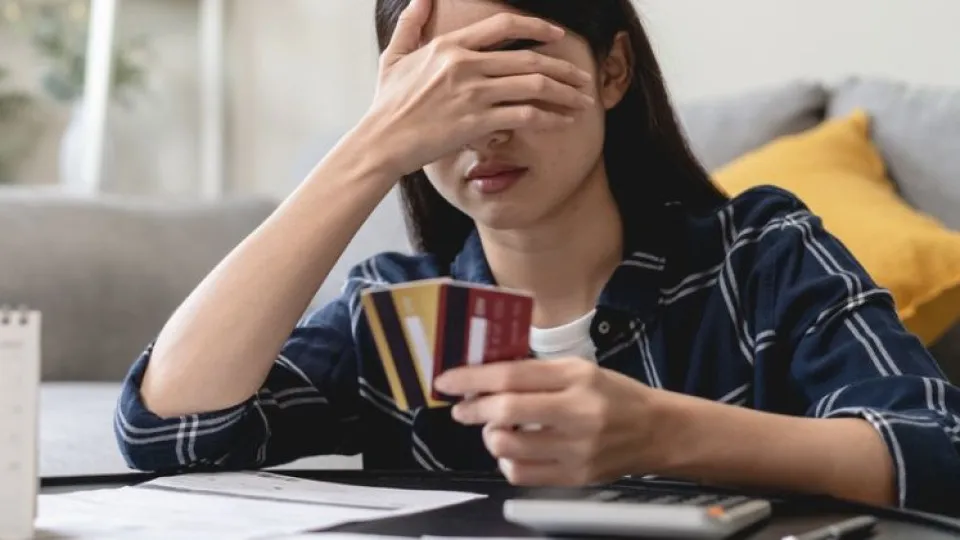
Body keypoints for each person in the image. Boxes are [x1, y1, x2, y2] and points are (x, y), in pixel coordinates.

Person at [114, 0, 960, 516]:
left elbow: (937, 450)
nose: (485, 125)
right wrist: (368, 151)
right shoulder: (400, 312)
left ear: (612, 70)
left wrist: (668, 433)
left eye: (513, 69)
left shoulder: (760, 257)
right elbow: (170, 429)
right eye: (442, 89)